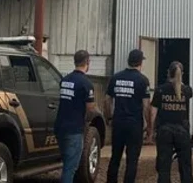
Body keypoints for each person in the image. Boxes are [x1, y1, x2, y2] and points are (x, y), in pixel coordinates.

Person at [105, 49, 152, 183]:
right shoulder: (143, 80)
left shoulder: (116, 77)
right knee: (132, 160)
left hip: (118, 122)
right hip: (134, 125)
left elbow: (107, 100)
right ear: (140, 62)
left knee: (115, 157)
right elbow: (146, 106)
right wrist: (149, 125)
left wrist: (109, 117)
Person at [54, 50, 97, 183]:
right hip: (74, 129)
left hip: (60, 126)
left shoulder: (65, 80)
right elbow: (90, 109)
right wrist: (87, 121)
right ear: (87, 62)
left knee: (67, 161)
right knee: (70, 167)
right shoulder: (86, 84)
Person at [150, 61, 193, 183]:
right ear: (182, 73)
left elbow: (153, 112)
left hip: (164, 130)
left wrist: (151, 130)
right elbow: (181, 87)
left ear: (168, 73)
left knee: (164, 167)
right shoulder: (187, 91)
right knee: (186, 166)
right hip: (182, 131)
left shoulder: (160, 90)